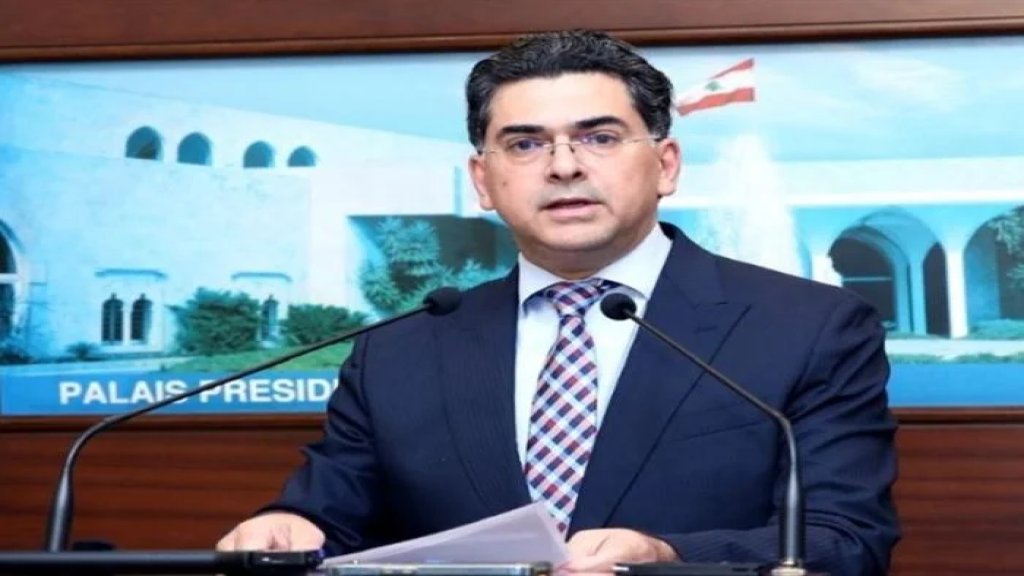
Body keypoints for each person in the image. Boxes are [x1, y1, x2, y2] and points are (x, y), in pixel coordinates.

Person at [217, 30, 900, 576]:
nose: (564, 166)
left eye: (599, 138)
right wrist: (289, 529)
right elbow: (331, 516)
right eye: (525, 144)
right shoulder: (399, 350)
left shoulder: (807, 328)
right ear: (483, 180)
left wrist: (665, 556)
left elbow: (845, 540)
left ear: (665, 165)